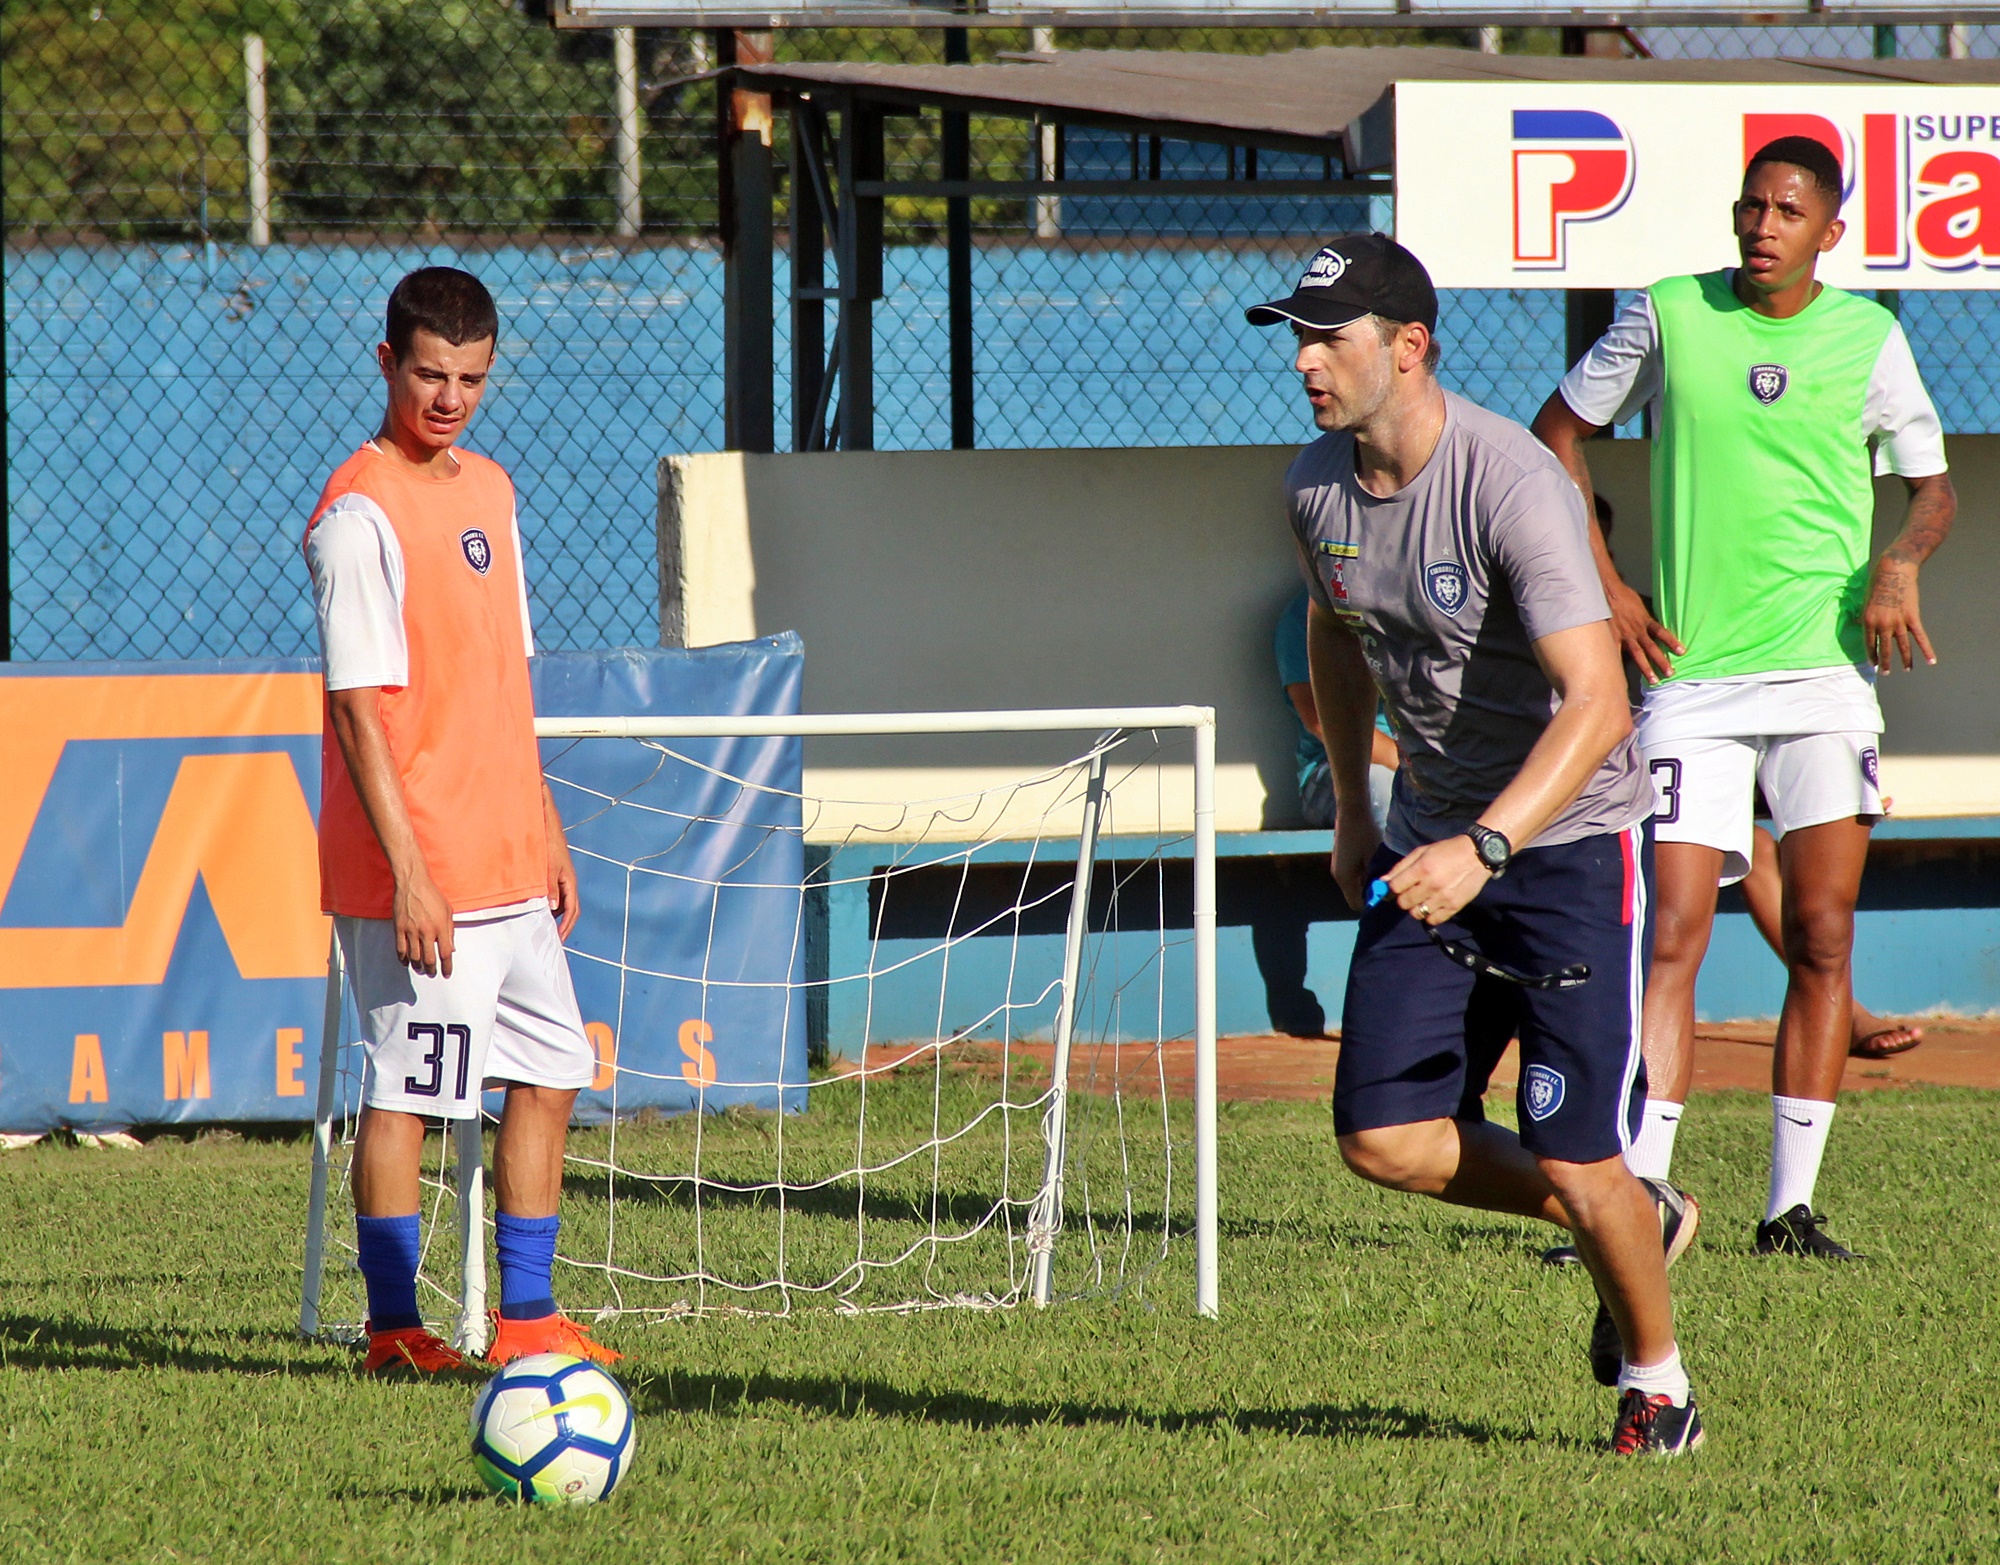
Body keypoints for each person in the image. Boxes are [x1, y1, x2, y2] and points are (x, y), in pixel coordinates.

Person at [1249, 233, 1703, 1455]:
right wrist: (1353, 802)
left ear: (1409, 346)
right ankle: (1631, 1214)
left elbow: (1598, 701)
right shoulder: (1313, 487)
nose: (1304, 362)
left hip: (1561, 844)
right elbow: (1334, 634)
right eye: (1294, 336)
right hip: (1427, 838)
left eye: (1328, 337)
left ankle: (1657, 1384)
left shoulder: (1511, 482)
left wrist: (1487, 848)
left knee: (1576, 1143)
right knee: (1379, 1137)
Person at [1534, 137, 1954, 1260]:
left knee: (1820, 937)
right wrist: (1607, 587)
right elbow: (1556, 438)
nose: (1761, 225)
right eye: (1749, 206)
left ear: (1829, 231)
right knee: (1668, 933)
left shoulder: (1867, 335)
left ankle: (1789, 1210)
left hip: (1824, 679)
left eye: (1786, 210)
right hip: (1690, 680)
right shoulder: (1667, 313)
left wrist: (1899, 564)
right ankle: (1641, 1194)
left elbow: (1931, 489)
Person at [304, 267, 620, 1378]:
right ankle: (395, 1329)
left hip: (507, 862)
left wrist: (544, 824)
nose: (449, 397)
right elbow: (355, 713)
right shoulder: (357, 514)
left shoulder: (489, 488)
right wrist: (410, 874)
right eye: (429, 373)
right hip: (422, 866)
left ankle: (526, 1319)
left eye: (471, 378)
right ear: (387, 362)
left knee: (552, 1068)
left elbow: (505, 678)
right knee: (411, 1092)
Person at [1275, 585, 1396, 830]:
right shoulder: (1305, 614)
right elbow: (1320, 721)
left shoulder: (1413, 604)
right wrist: (1414, 769)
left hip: (1427, 768)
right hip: (1337, 773)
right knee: (1381, 785)